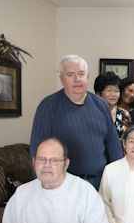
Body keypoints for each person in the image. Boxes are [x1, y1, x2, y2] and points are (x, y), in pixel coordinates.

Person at [30, 55, 123, 190]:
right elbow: (36, 150)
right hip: (64, 185)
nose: (77, 79)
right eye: (70, 75)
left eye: (81, 74)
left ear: (88, 77)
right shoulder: (47, 107)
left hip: (100, 182)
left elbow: (113, 145)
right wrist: (41, 187)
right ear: (62, 79)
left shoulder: (101, 105)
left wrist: (119, 178)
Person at [94, 71, 132, 141]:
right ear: (98, 94)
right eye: (109, 90)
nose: (113, 94)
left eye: (116, 91)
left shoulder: (124, 114)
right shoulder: (92, 113)